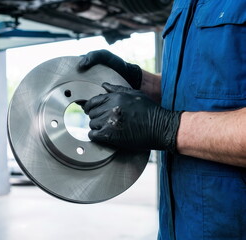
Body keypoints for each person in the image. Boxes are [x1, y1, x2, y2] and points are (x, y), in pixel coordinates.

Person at [77, 0, 246, 239]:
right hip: (176, 228)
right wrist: (139, 81)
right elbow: (199, 87)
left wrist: (167, 126)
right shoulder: (185, 3)